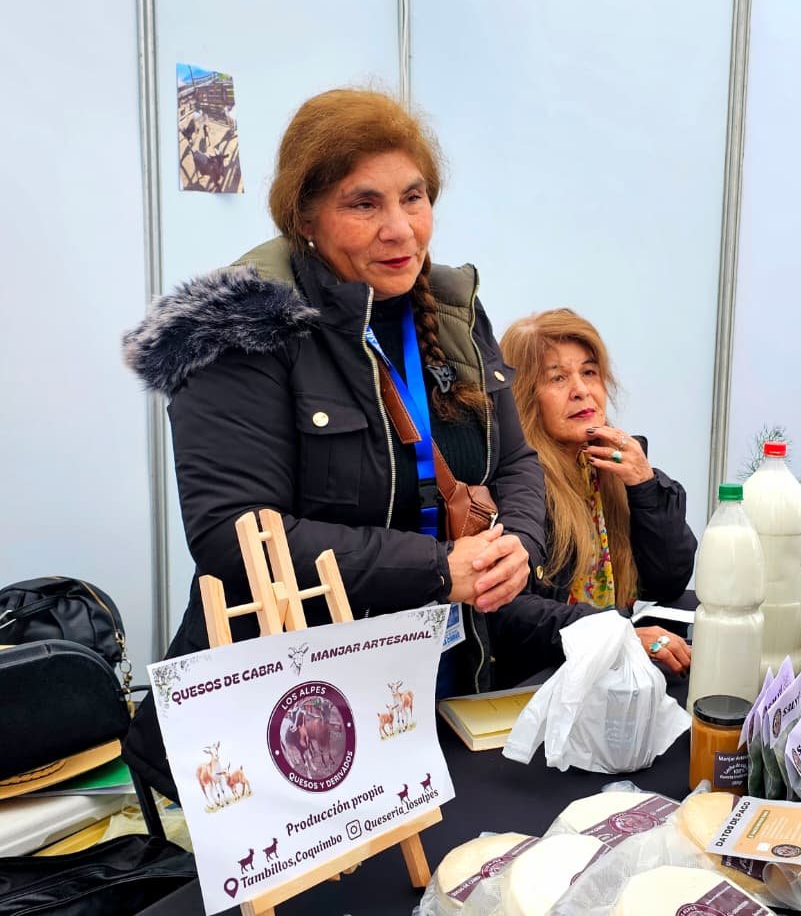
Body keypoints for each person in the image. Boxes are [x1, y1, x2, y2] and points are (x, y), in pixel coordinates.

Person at [122, 89, 547, 799]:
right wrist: (439, 568)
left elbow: (514, 460)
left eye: (414, 197)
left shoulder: (447, 306)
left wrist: (519, 546)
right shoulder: (245, 323)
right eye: (363, 204)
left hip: (425, 694)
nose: (400, 229)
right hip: (275, 726)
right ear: (305, 217)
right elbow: (236, 535)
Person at [495, 309, 696, 684]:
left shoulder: (613, 463)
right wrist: (615, 635)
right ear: (524, 398)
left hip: (610, 671)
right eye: (557, 378)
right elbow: (508, 614)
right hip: (541, 680)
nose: (581, 390)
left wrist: (645, 487)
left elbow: (669, 581)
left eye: (589, 372)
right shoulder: (515, 483)